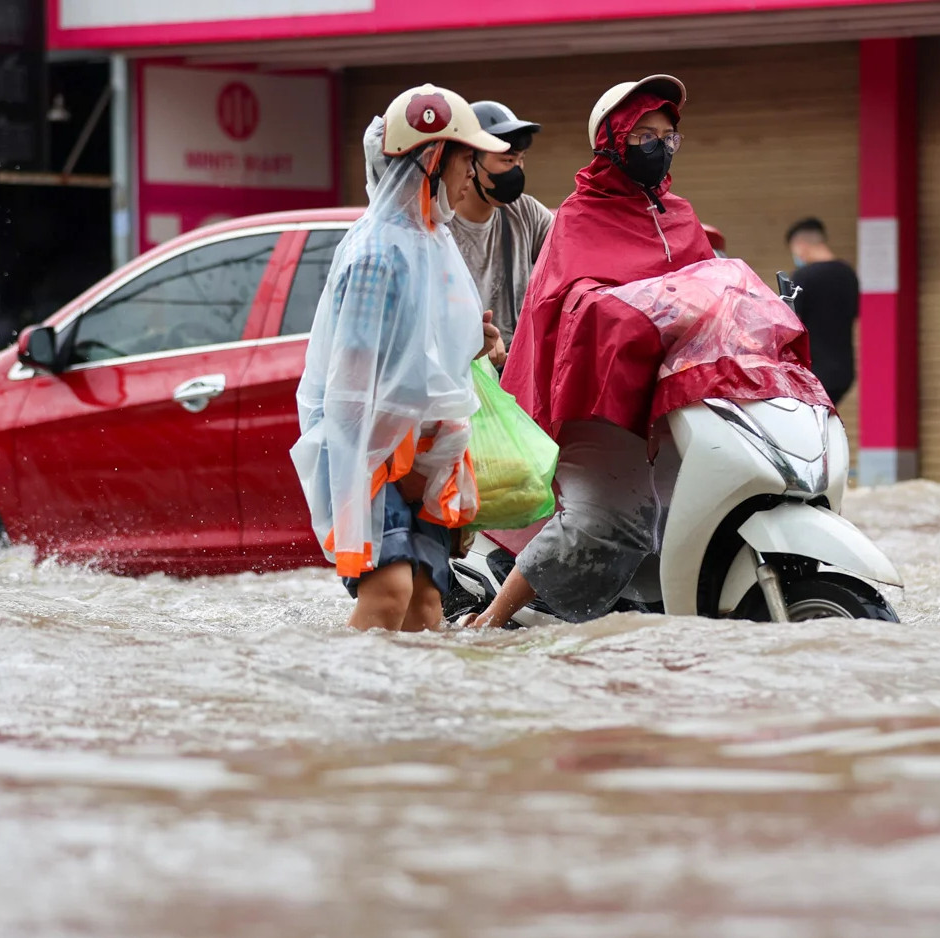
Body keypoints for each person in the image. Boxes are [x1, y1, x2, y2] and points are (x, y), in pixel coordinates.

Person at [464, 75, 717, 630]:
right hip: (593, 395)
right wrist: (618, 312)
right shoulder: (578, 219)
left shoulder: (679, 215)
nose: (660, 144)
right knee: (606, 518)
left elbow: (705, 292)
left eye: (668, 134)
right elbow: (568, 304)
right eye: (643, 133)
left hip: (670, 394)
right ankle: (489, 623)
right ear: (613, 140)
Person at [291, 84, 508, 633]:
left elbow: (429, 362)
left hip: (417, 454)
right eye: (466, 159)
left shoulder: (433, 242)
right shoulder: (377, 252)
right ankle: (354, 708)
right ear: (433, 159)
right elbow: (354, 385)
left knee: (427, 603)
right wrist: (397, 466)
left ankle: (418, 714)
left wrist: (473, 343)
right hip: (372, 451)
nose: (472, 174)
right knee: (389, 590)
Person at [447, 100, 553, 361]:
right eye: (507, 159)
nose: (517, 170)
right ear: (470, 163)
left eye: (520, 160)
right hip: (463, 373)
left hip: (518, 370)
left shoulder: (526, 213)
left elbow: (567, 265)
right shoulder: (440, 224)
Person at [786, 217, 859, 404]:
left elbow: (787, 320)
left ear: (801, 245)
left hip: (814, 373)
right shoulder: (848, 273)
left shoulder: (803, 276)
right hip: (844, 372)